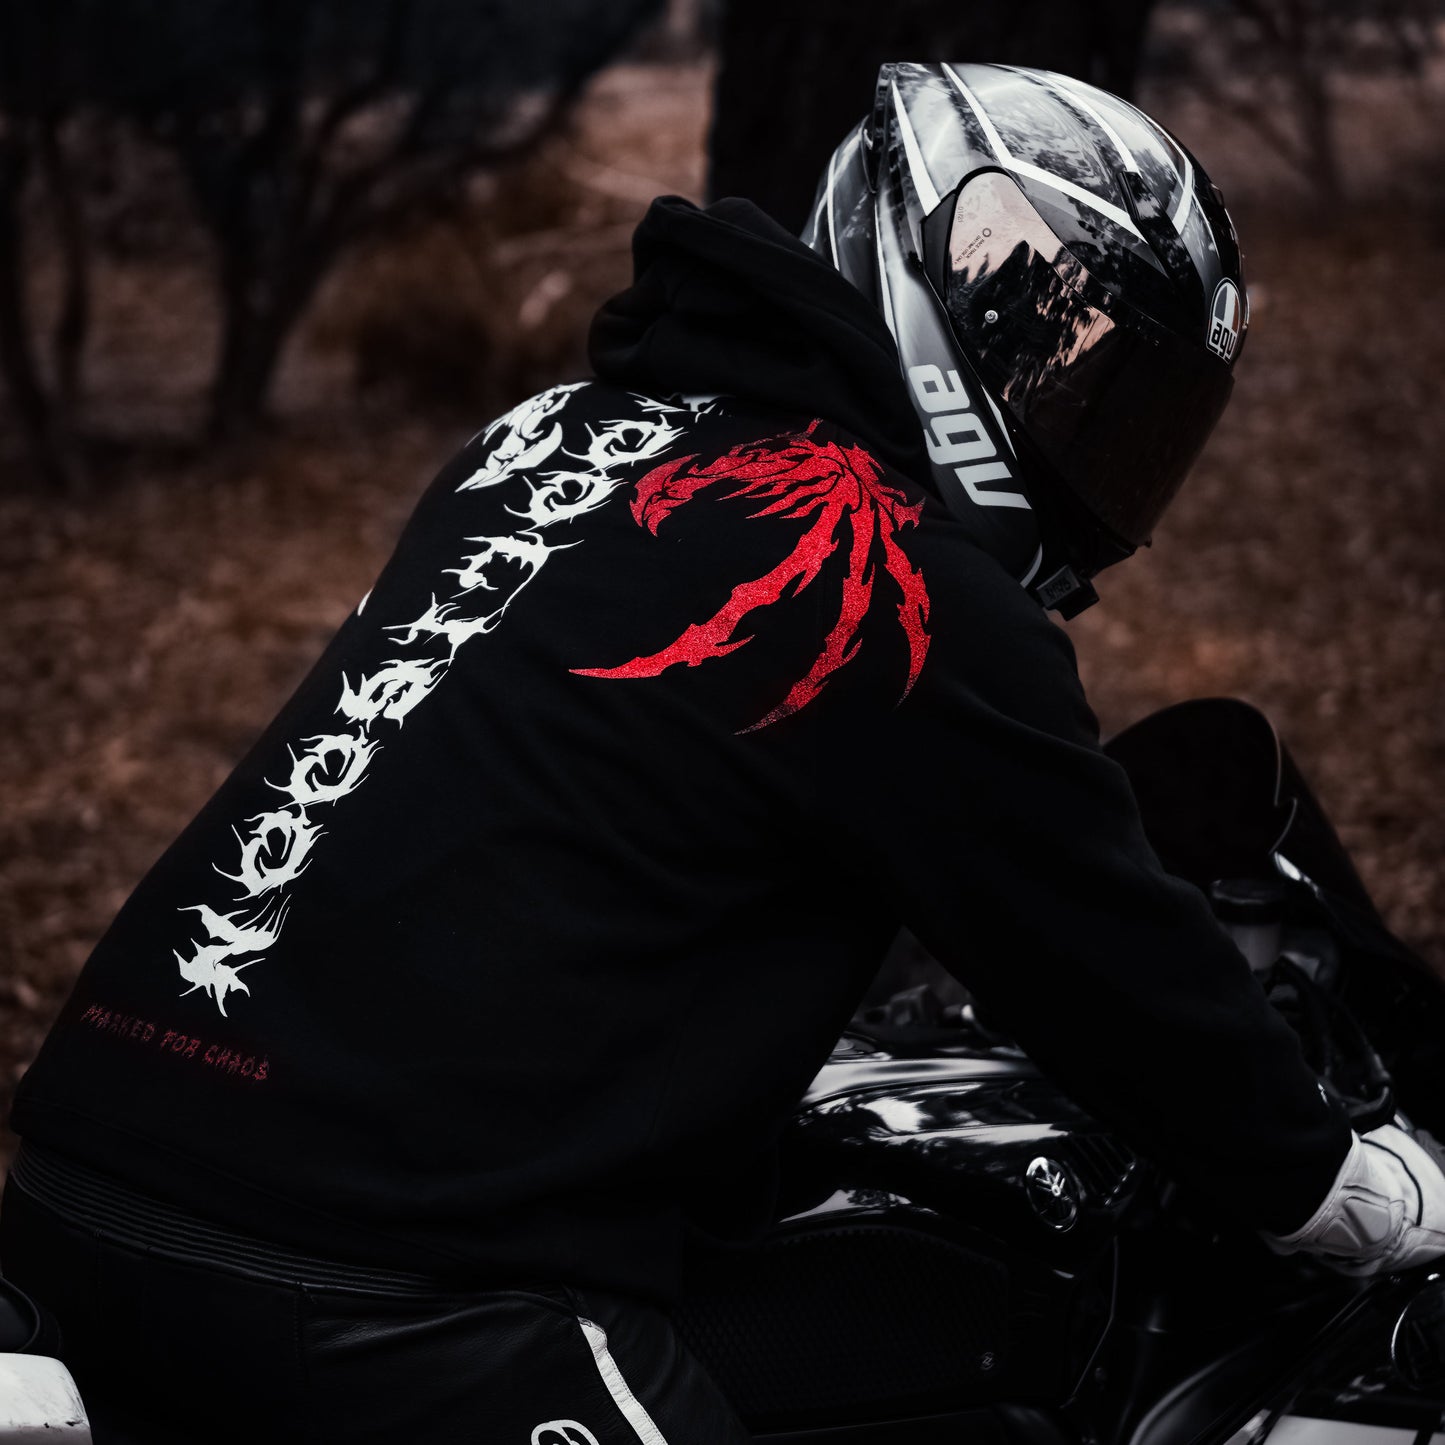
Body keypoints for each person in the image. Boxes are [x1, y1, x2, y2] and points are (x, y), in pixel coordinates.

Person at [2, 61, 1441, 1443]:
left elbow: (549, 812)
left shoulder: (551, 437)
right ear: (938, 302)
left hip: (82, 1186)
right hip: (387, 1287)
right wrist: (1339, 1183)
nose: (1096, 445)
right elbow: (1102, 950)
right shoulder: (880, 570)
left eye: (1130, 415)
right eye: (1071, 378)